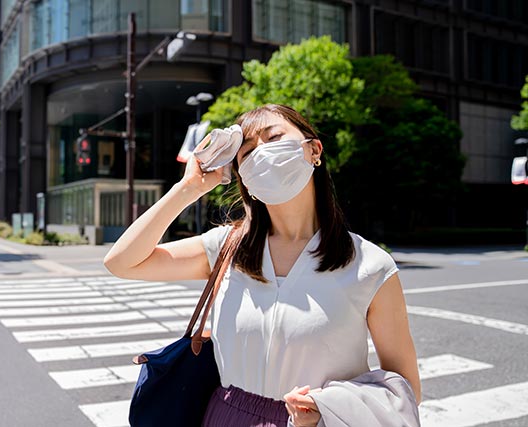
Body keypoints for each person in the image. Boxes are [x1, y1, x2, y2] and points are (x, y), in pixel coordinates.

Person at [104, 104, 422, 426]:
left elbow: (405, 390)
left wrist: (329, 408)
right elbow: (122, 262)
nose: (262, 154)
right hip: (226, 417)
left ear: (314, 150)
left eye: (273, 138)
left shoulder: (371, 266)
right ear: (243, 176)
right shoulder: (227, 247)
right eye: (247, 152)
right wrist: (190, 189)